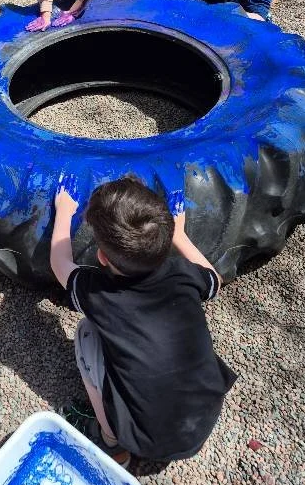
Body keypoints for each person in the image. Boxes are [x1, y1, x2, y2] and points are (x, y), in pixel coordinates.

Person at [51, 174, 237, 467]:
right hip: (201, 419)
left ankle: (110, 441)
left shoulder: (99, 291)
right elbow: (214, 278)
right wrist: (181, 236)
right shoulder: (183, 273)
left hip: (144, 438)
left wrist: (63, 211)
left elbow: (59, 263)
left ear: (101, 256)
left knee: (86, 332)